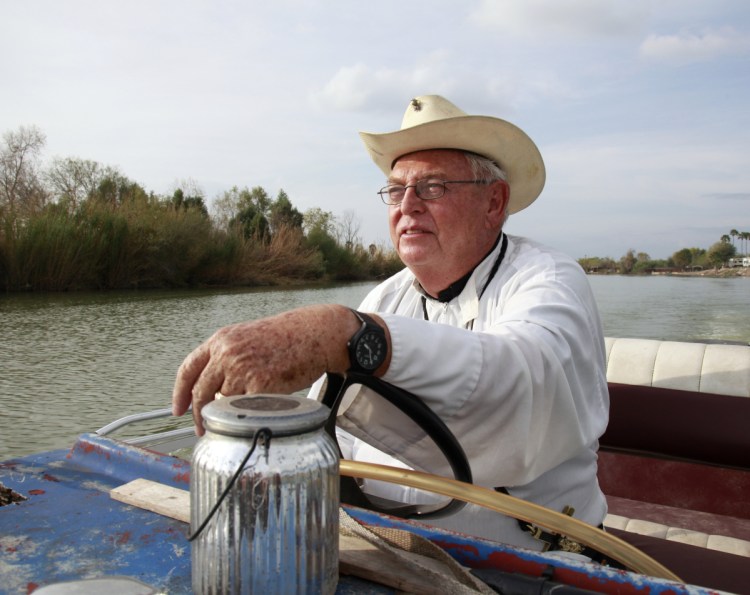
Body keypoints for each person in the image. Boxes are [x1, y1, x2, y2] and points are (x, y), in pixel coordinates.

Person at [172, 95, 609, 551]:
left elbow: (524, 378)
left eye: (433, 187)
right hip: (387, 546)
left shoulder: (550, 280)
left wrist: (349, 335)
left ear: (493, 203)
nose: (409, 205)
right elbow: (331, 423)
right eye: (396, 190)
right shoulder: (387, 295)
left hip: (534, 564)